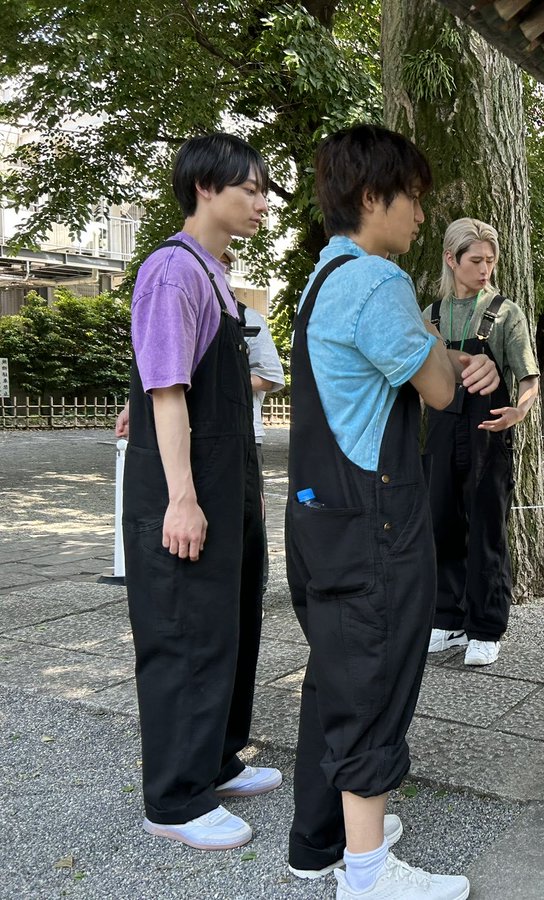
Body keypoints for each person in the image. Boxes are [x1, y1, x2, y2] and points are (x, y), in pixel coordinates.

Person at [285, 125, 496, 900]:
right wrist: (445, 348)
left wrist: (435, 349)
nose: (420, 216)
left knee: (336, 677)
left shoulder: (323, 278)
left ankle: (321, 841)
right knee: (375, 680)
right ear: (373, 197)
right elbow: (437, 389)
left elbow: (395, 370)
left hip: (320, 515)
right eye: (412, 198)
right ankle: (368, 875)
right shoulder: (378, 282)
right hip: (372, 520)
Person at [122, 133, 279, 851]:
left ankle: (217, 760)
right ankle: (176, 800)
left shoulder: (216, 273)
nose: (262, 202)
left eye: (263, 189)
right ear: (204, 189)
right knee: (184, 630)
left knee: (229, 621)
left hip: (227, 478)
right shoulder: (171, 271)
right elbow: (166, 391)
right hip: (187, 487)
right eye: (249, 188)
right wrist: (181, 498)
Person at [423, 218, 540, 667]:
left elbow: (528, 377)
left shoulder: (506, 313)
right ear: (451, 260)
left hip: (489, 431)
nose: (485, 268)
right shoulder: (430, 316)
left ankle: (487, 628)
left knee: (487, 527)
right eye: (475, 260)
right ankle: (447, 618)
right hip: (439, 431)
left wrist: (519, 412)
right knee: (440, 522)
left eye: (490, 260)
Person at [242, 304, 284, 589]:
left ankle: (257, 584)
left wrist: (223, 378)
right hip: (192, 431)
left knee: (251, 513)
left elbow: (271, 376)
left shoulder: (247, 317)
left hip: (246, 432)